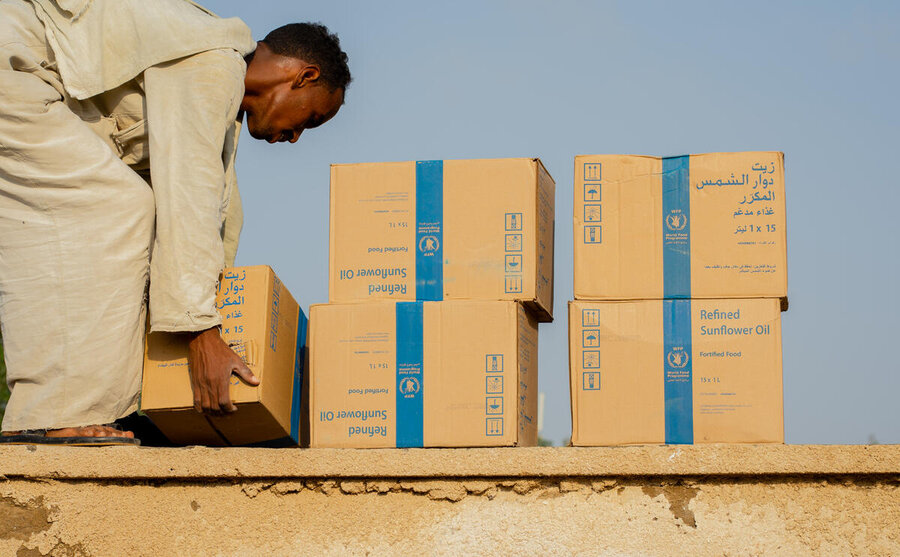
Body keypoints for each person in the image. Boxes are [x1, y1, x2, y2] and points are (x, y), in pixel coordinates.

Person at [0, 0, 350, 444]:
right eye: (311, 118)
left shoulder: (214, 80)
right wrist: (201, 330)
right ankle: (56, 413)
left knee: (120, 213)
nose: (297, 136)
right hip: (15, 72)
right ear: (303, 76)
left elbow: (212, 216)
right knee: (119, 206)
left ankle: (96, 407)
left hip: (27, 90)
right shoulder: (213, 62)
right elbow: (188, 195)